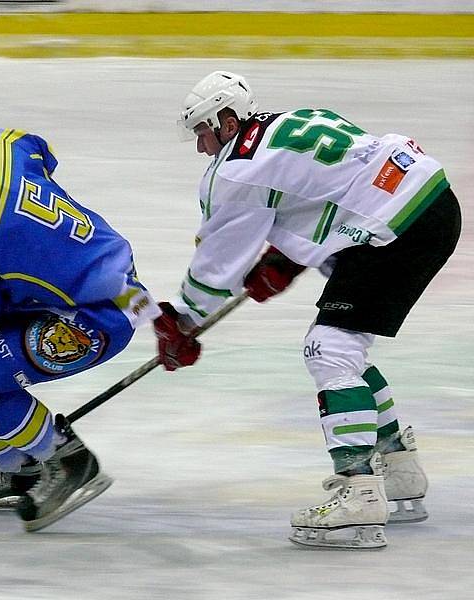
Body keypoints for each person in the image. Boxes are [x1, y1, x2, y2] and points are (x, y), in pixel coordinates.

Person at [154, 71, 461, 549]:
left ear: (227, 119)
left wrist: (183, 322)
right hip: (431, 201)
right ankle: (398, 469)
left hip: (395, 224)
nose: (200, 146)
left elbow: (217, 263)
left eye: (202, 131)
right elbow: (335, 188)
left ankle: (359, 494)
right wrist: (288, 258)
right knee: (347, 350)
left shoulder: (234, 169)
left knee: (330, 350)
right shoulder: (295, 119)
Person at [0, 112, 160, 532]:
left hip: (96, 319)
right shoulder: (0, 143)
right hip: (121, 284)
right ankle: (22, 470)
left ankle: (66, 460)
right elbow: (44, 154)